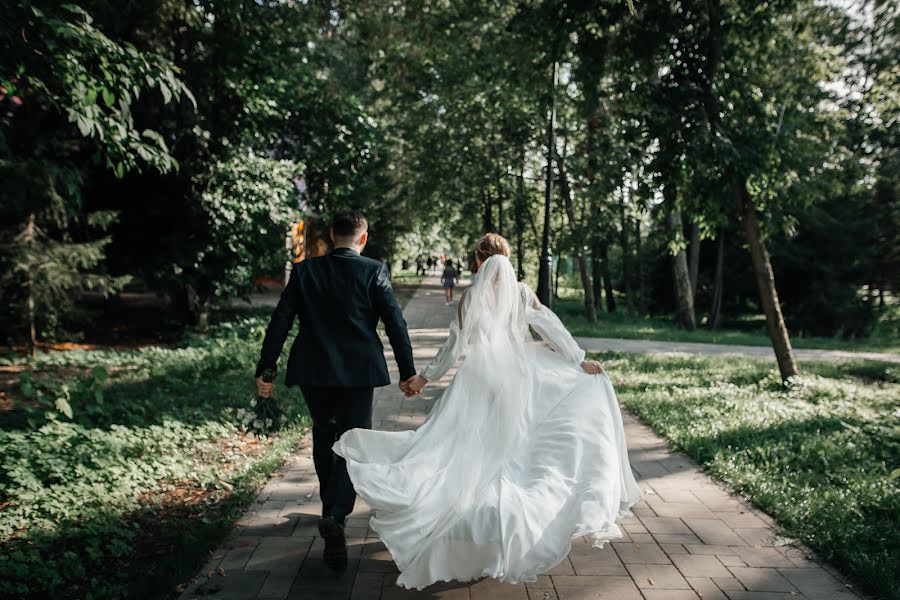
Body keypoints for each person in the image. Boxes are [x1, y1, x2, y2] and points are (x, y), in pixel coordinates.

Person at [334, 233, 642, 590]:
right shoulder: (522, 293)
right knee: (515, 452)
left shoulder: (470, 297)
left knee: (462, 450)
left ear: (479, 260)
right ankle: (507, 530)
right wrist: (577, 359)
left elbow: (454, 346)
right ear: (507, 258)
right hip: (520, 376)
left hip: (477, 380)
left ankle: (465, 528)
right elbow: (549, 326)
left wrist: (423, 378)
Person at [254, 210, 416, 572]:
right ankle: (337, 516)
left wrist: (266, 367)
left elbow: (280, 319)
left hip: (314, 370)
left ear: (330, 235)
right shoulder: (373, 270)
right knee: (354, 441)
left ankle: (333, 513)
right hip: (358, 372)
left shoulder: (306, 270)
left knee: (324, 436)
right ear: (363, 237)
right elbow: (395, 322)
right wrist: (408, 372)